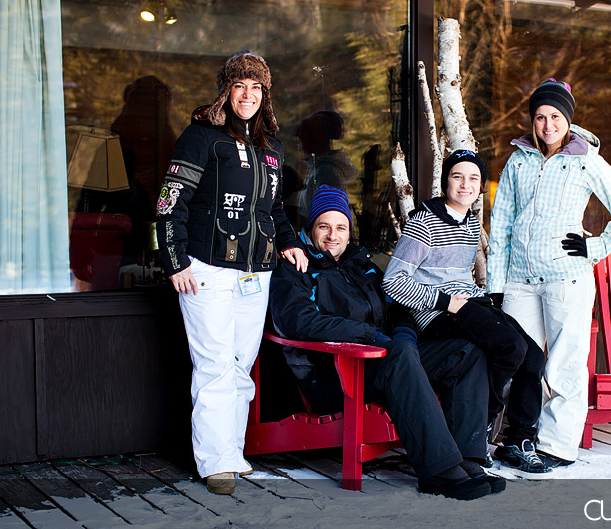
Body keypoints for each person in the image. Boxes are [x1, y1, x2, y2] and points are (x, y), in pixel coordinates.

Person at [269, 185, 503, 500]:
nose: (332, 235)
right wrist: (370, 337)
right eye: (323, 226)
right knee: (401, 353)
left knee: (467, 352)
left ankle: (468, 458)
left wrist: (404, 335)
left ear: (350, 232)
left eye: (341, 227)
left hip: (385, 360)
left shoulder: (361, 264)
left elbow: (398, 308)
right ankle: (440, 470)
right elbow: (297, 321)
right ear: (310, 229)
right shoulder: (295, 268)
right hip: (334, 375)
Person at [155, 50, 308, 495]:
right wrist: (174, 259)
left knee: (241, 365)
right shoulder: (201, 137)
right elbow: (170, 200)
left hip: (255, 274)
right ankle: (214, 462)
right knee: (214, 364)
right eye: (240, 86)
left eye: (256, 88)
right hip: (206, 269)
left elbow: (273, 209)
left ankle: (232, 451)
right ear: (227, 91)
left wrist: (290, 242)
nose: (248, 95)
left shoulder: (271, 148)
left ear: (265, 95)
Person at [487, 78, 611, 469]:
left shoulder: (585, 158)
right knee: (523, 361)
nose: (547, 124)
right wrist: (495, 286)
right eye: (540, 116)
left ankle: (556, 446)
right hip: (520, 280)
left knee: (564, 365)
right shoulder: (518, 159)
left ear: (567, 120)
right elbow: (502, 222)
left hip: (566, 279)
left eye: (555, 116)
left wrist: (596, 247)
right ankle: (517, 438)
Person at [382, 150, 548, 473]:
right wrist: (445, 301)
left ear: (481, 186)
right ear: (446, 181)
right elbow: (393, 282)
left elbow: (459, 275)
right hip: (437, 313)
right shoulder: (422, 223)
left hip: (469, 303)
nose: (465, 185)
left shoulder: (471, 223)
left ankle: (518, 440)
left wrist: (479, 299)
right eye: (457, 176)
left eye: (473, 178)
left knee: (534, 357)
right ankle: (483, 421)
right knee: (510, 347)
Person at [295, 110, 358, 225]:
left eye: (302, 141)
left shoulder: (326, 172)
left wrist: (296, 217)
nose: (300, 148)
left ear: (315, 140)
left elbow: (326, 217)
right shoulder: (319, 169)